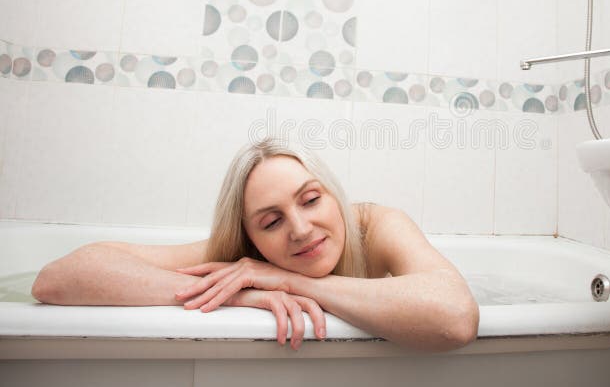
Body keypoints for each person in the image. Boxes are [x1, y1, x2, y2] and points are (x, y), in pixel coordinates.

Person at [32, 138, 479, 351]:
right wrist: (240, 294)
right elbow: (56, 281)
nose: (301, 229)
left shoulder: (374, 225)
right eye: (271, 221)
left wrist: (290, 281)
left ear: (332, 193)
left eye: (310, 199)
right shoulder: (242, 260)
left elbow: (456, 317)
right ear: (251, 239)